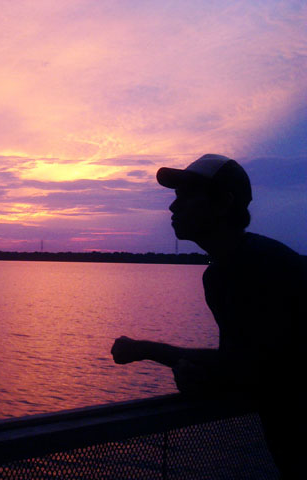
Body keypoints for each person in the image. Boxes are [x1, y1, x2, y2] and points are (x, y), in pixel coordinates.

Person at [111, 154, 305, 478]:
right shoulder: (233, 267)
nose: (173, 208)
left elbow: (246, 367)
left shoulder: (254, 268)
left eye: (187, 196)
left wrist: (144, 350)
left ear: (223, 203)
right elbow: (251, 368)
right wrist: (207, 377)